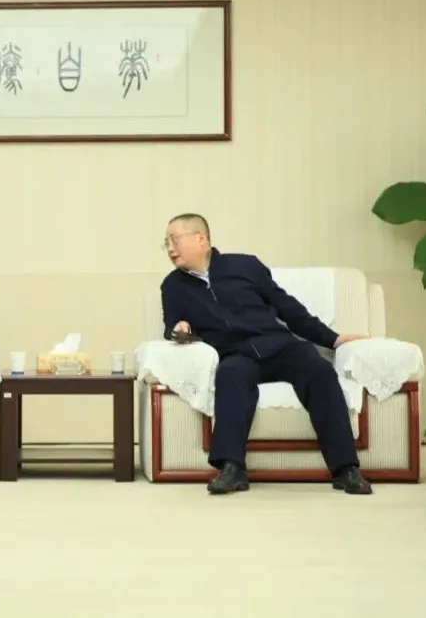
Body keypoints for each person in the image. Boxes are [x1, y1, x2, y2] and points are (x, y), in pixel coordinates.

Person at [160, 213, 373, 496]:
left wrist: (332, 339)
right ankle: (232, 468)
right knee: (230, 376)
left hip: (279, 345)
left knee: (320, 370)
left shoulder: (245, 266)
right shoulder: (173, 286)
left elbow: (287, 307)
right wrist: (179, 328)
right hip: (236, 354)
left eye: (174, 240)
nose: (169, 248)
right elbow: (171, 325)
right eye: (166, 243)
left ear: (201, 239)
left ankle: (346, 469)